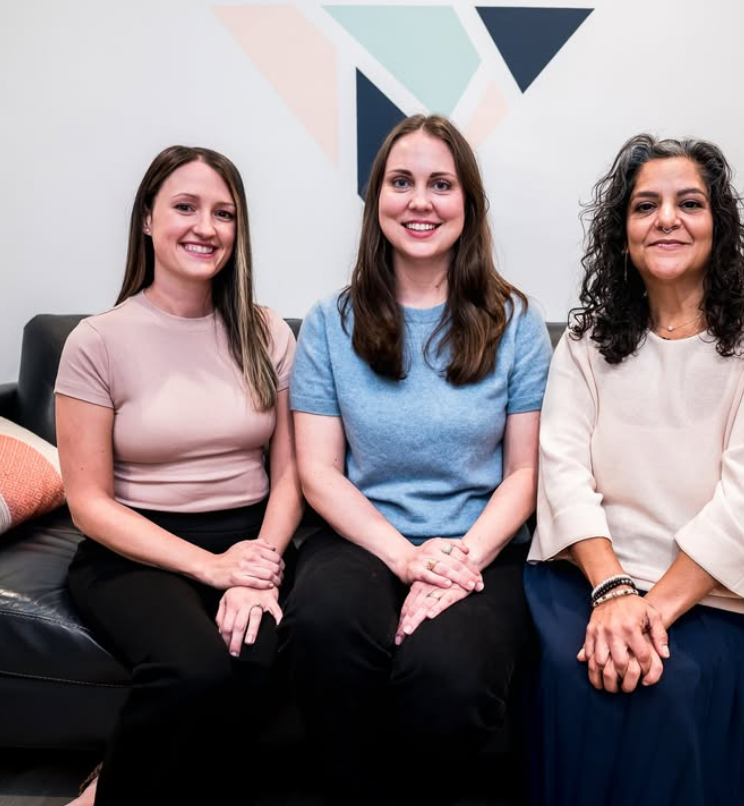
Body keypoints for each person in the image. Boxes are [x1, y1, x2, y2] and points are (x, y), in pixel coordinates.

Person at [524, 134, 744, 806]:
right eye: (645, 206)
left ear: (718, 224)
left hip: (723, 591)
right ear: (622, 233)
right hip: (591, 574)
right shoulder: (584, 339)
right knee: (575, 678)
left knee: (669, 686)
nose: (667, 218)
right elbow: (564, 473)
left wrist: (645, 614)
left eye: (689, 203)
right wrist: (610, 594)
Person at [283, 114, 552, 804]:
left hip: (484, 545)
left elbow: (525, 473)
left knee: (448, 674)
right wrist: (405, 558)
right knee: (321, 629)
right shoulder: (329, 322)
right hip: (364, 536)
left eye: (441, 184)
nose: (420, 201)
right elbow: (317, 471)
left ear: (468, 204)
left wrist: (460, 560)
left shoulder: (516, 323)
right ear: (378, 201)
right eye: (401, 182)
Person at [55, 145, 302, 806]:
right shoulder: (97, 341)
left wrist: (260, 565)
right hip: (134, 549)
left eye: (224, 213)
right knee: (192, 668)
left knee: (255, 663)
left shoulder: (265, 330)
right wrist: (208, 567)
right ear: (146, 219)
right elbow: (86, 501)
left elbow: (290, 475)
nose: (206, 227)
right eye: (185, 207)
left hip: (251, 538)